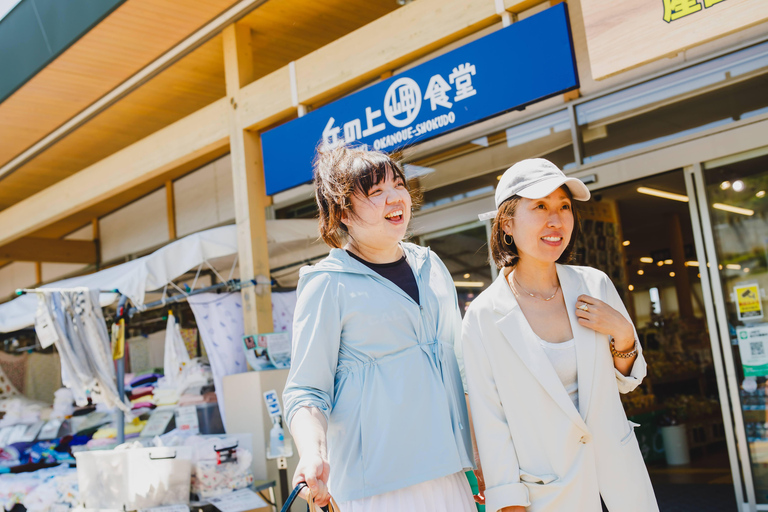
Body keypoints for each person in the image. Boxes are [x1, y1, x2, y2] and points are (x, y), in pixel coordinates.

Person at [282, 145, 474, 511]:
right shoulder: (326, 283)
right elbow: (306, 390)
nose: (395, 197)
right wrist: (312, 453)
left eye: (398, 185)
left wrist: (478, 455)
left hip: (449, 472)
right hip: (379, 488)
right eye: (375, 192)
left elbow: (462, 369)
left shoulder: (432, 267)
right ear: (343, 213)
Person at [461, 159, 659, 512]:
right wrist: (508, 502)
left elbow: (628, 382)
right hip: (548, 493)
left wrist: (624, 334)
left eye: (564, 206)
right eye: (540, 206)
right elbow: (491, 421)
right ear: (507, 222)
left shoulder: (594, 284)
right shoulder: (484, 315)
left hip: (620, 480)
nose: (556, 220)